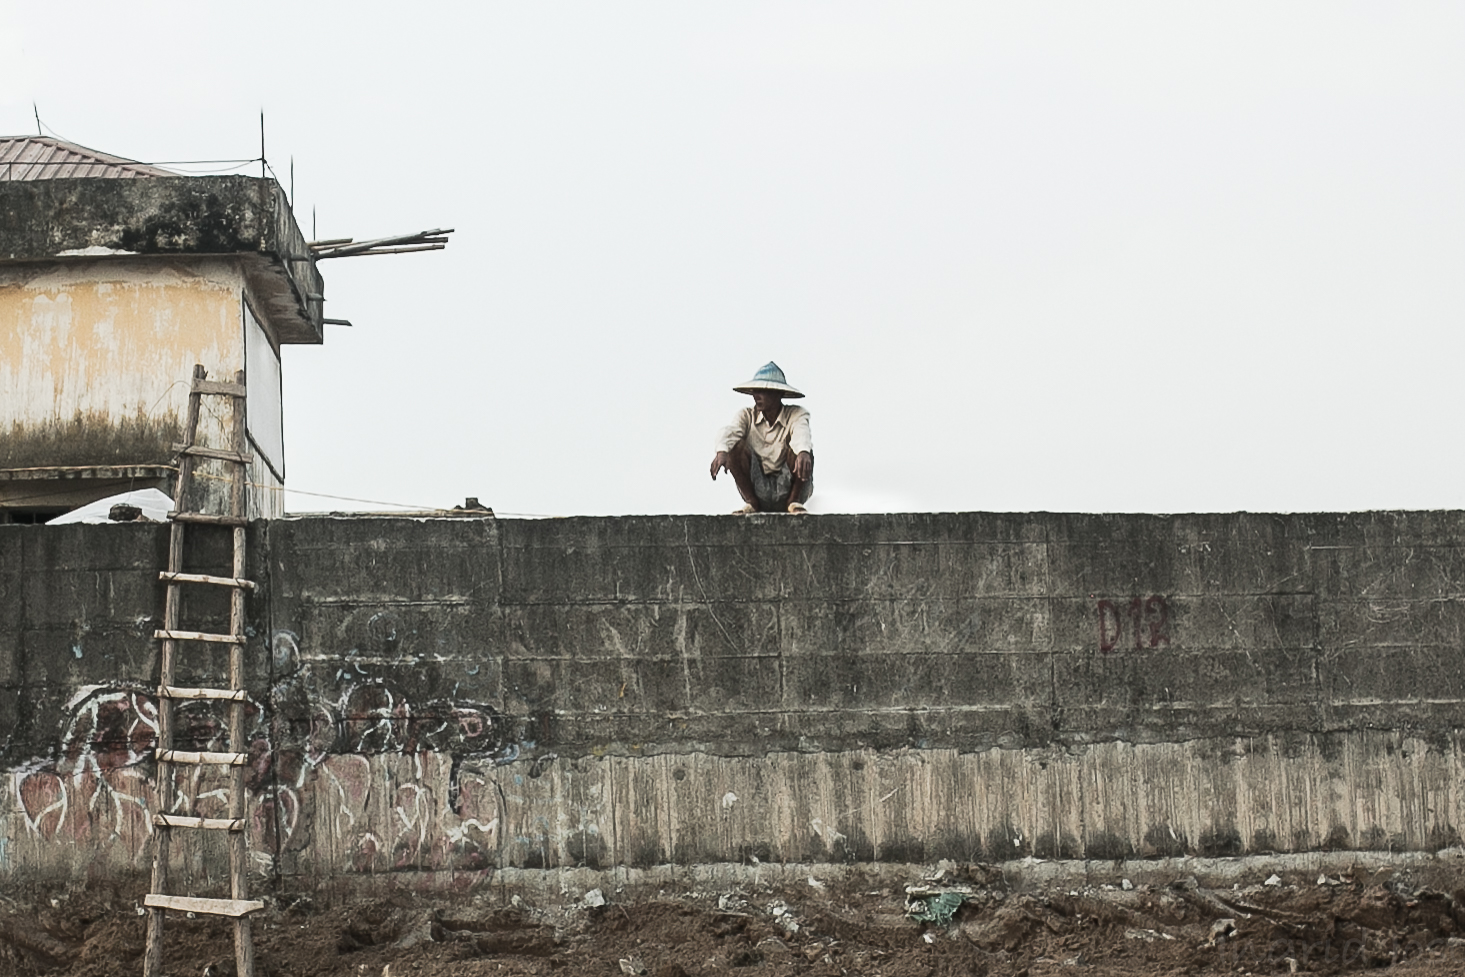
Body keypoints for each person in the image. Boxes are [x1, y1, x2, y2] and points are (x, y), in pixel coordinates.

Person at [710, 362, 814, 514]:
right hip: (759, 486)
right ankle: (751, 502)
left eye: (763, 392)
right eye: (755, 391)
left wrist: (803, 452)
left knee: (803, 451)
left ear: (778, 394)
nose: (756, 396)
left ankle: (794, 501)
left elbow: (801, 433)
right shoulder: (746, 415)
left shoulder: (796, 414)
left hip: (787, 483)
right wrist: (722, 451)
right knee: (735, 448)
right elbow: (730, 431)